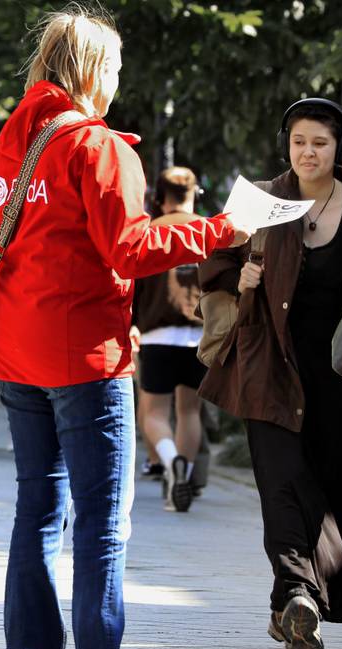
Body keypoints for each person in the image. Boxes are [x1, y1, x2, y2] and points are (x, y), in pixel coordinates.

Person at [0, 8, 244, 649]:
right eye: (113, 70)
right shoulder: (98, 147)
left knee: (36, 514)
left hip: (14, 357)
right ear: (91, 71)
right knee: (101, 524)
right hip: (86, 358)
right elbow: (130, 248)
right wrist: (221, 231)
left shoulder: (1, 148)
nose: (117, 83)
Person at [198, 98, 342, 649]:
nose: (308, 152)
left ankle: (292, 609)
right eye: (299, 141)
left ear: (341, 149)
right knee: (282, 481)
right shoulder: (260, 201)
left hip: (340, 371)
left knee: (332, 488)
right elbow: (212, 259)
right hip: (269, 360)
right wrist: (243, 279)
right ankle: (296, 590)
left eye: (321, 143)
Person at [133, 166, 209, 512]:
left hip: (157, 335)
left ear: (159, 198)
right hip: (200, 336)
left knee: (153, 414)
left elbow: (134, 285)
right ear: (194, 196)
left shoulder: (148, 232)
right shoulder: (208, 231)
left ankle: (169, 461)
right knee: (190, 410)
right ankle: (186, 473)